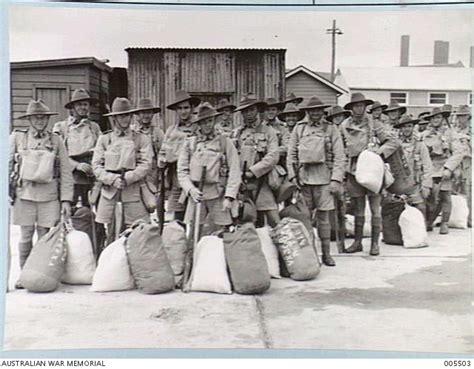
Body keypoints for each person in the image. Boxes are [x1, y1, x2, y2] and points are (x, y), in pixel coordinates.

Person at [10, 100, 73, 289]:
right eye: (36, 117)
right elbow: (5, 165)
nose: (39, 120)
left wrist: (66, 200)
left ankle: (42, 275)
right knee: (26, 234)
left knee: (45, 236)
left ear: (47, 119)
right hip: (25, 194)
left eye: (43, 117)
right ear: (29, 119)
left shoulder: (56, 140)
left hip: (49, 196)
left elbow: (65, 172)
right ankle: (24, 275)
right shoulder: (18, 138)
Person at [287, 96, 346, 266]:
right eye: (312, 111)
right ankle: (311, 255)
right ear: (307, 112)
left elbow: (340, 156)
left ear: (323, 111)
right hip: (304, 180)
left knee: (324, 219)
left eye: (318, 110)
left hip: (325, 179)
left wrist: (336, 180)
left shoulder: (331, 129)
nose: (315, 114)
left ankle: (326, 254)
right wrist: (293, 177)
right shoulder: (299, 129)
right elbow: (291, 155)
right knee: (305, 220)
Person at [339, 93, 400, 256]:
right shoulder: (344, 125)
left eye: (362, 105)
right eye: (356, 106)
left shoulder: (374, 123)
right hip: (353, 170)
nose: (359, 109)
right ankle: (358, 242)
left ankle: (374, 244)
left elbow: (393, 141)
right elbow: (339, 148)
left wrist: (378, 153)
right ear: (351, 108)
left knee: (375, 209)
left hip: (373, 170)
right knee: (358, 209)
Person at [92, 98, 153, 240]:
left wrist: (127, 178)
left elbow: (146, 164)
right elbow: (96, 166)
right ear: (114, 118)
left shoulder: (141, 139)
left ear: (131, 116)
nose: (124, 119)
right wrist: (112, 179)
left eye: (127, 115)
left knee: (137, 234)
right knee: (111, 234)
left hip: (133, 193)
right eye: (120, 115)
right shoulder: (105, 139)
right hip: (110, 193)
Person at [178, 103, 241, 231]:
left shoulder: (224, 142)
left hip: (218, 194)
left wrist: (229, 197)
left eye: (210, 121)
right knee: (193, 234)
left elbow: (235, 170)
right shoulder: (190, 143)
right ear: (199, 124)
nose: (207, 125)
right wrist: (190, 189)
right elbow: (182, 170)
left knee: (223, 234)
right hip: (196, 194)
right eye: (204, 122)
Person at [232, 92, 280, 227]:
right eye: (245, 111)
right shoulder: (237, 133)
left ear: (258, 110)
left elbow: (273, 155)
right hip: (242, 184)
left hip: (262, 181)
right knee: (245, 220)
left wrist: (254, 171)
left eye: (251, 109)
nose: (248, 113)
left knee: (274, 220)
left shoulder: (268, 131)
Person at [53, 89, 101, 209]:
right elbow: (57, 154)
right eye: (79, 104)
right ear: (72, 107)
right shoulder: (61, 127)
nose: (83, 107)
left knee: (92, 213)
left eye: (85, 104)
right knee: (70, 212)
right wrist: (76, 165)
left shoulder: (94, 127)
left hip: (91, 176)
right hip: (70, 177)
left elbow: (101, 150)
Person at [157, 90, 201, 221]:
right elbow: (162, 153)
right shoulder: (171, 131)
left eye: (186, 107)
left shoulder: (199, 128)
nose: (183, 111)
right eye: (180, 108)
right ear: (176, 110)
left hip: (195, 182)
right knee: (177, 219)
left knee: (196, 219)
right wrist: (163, 161)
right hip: (176, 181)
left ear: (192, 108)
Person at [421, 107, 464, 234]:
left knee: (445, 195)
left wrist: (449, 169)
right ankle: (429, 220)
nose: (435, 120)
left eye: (438, 117)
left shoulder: (450, 134)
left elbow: (458, 152)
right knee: (429, 197)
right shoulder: (424, 135)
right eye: (433, 118)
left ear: (442, 119)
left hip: (445, 166)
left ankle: (444, 222)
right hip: (430, 168)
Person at [393, 114, 433, 224]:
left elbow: (427, 166)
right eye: (404, 126)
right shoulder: (395, 144)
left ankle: (421, 235)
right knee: (395, 211)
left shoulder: (420, 145)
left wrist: (426, 185)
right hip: (398, 185)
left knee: (420, 209)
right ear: (400, 128)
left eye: (409, 126)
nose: (407, 129)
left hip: (415, 185)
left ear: (413, 127)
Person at [131, 98, 164, 188]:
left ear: (153, 114)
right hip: (134, 171)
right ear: (138, 114)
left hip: (152, 174)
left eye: (149, 112)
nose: (146, 116)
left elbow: (163, 152)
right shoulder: (131, 131)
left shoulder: (158, 133)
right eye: (143, 113)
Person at [452, 105, 472, 227]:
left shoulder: (471, 130)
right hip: (456, 163)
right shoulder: (455, 130)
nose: (460, 118)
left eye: (463, 116)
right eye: (459, 116)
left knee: (469, 191)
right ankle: (456, 218)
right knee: (455, 191)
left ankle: (470, 219)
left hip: (469, 163)